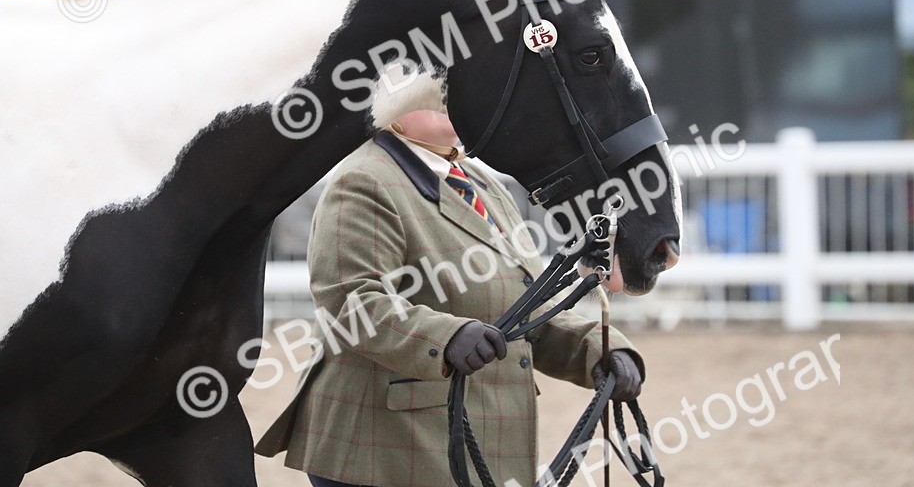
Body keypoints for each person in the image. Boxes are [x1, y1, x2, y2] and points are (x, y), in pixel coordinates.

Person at [255, 110, 644, 487]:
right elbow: (352, 303)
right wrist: (445, 338)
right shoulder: (363, 179)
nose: (447, 99)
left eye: (451, 91)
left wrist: (598, 349)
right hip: (385, 450)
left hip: (470, 438)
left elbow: (522, 306)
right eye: (429, 92)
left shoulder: (482, 181)